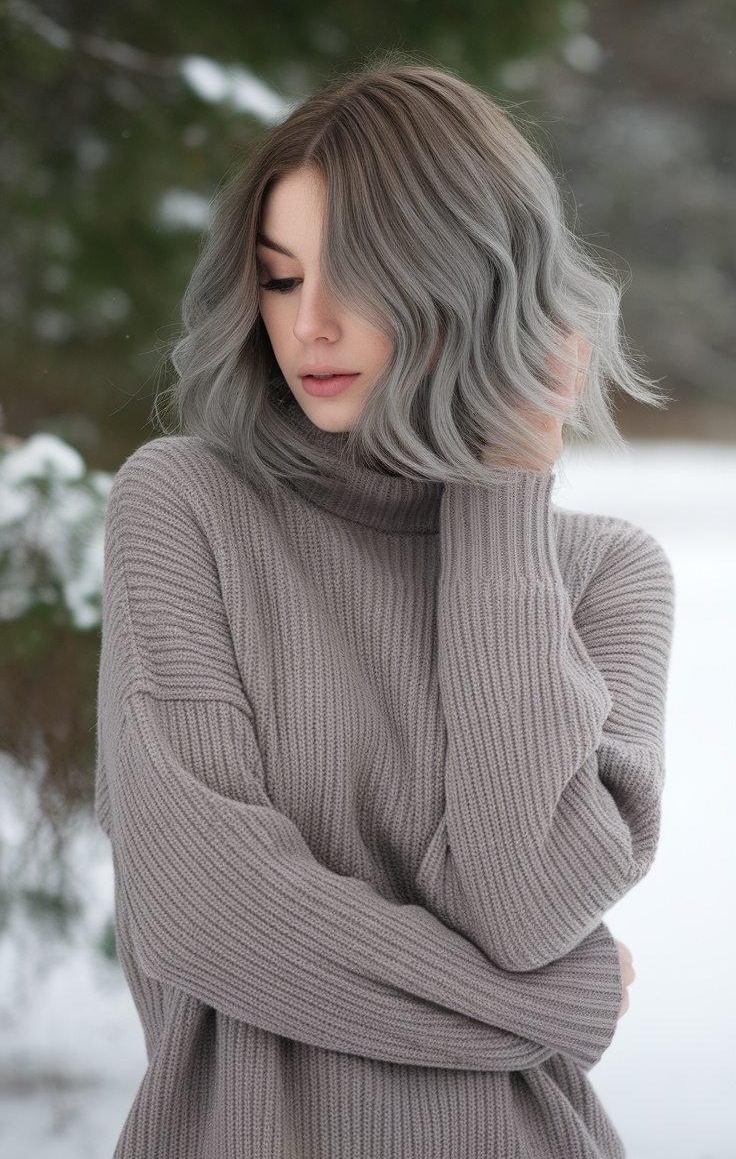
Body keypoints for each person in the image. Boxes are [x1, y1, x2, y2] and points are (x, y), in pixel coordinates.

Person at [95, 62, 675, 1158]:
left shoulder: (605, 577)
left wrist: (503, 490)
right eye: (277, 279)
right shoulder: (186, 507)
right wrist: (559, 1002)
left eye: (355, 277)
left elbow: (524, 898)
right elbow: (206, 910)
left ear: (464, 279)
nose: (306, 323)